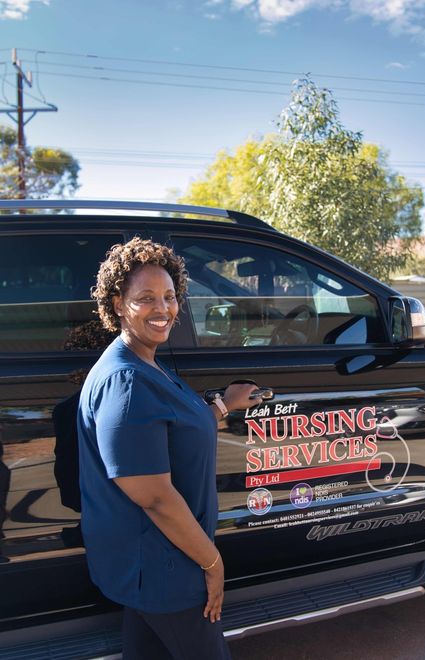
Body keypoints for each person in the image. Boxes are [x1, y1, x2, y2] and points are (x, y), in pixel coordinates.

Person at [77, 237, 260, 660]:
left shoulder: (145, 362)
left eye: (169, 296)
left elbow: (170, 430)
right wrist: (213, 565)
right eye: (146, 298)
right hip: (168, 571)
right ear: (119, 303)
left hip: (155, 568)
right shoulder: (126, 383)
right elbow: (156, 498)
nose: (163, 309)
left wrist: (222, 404)